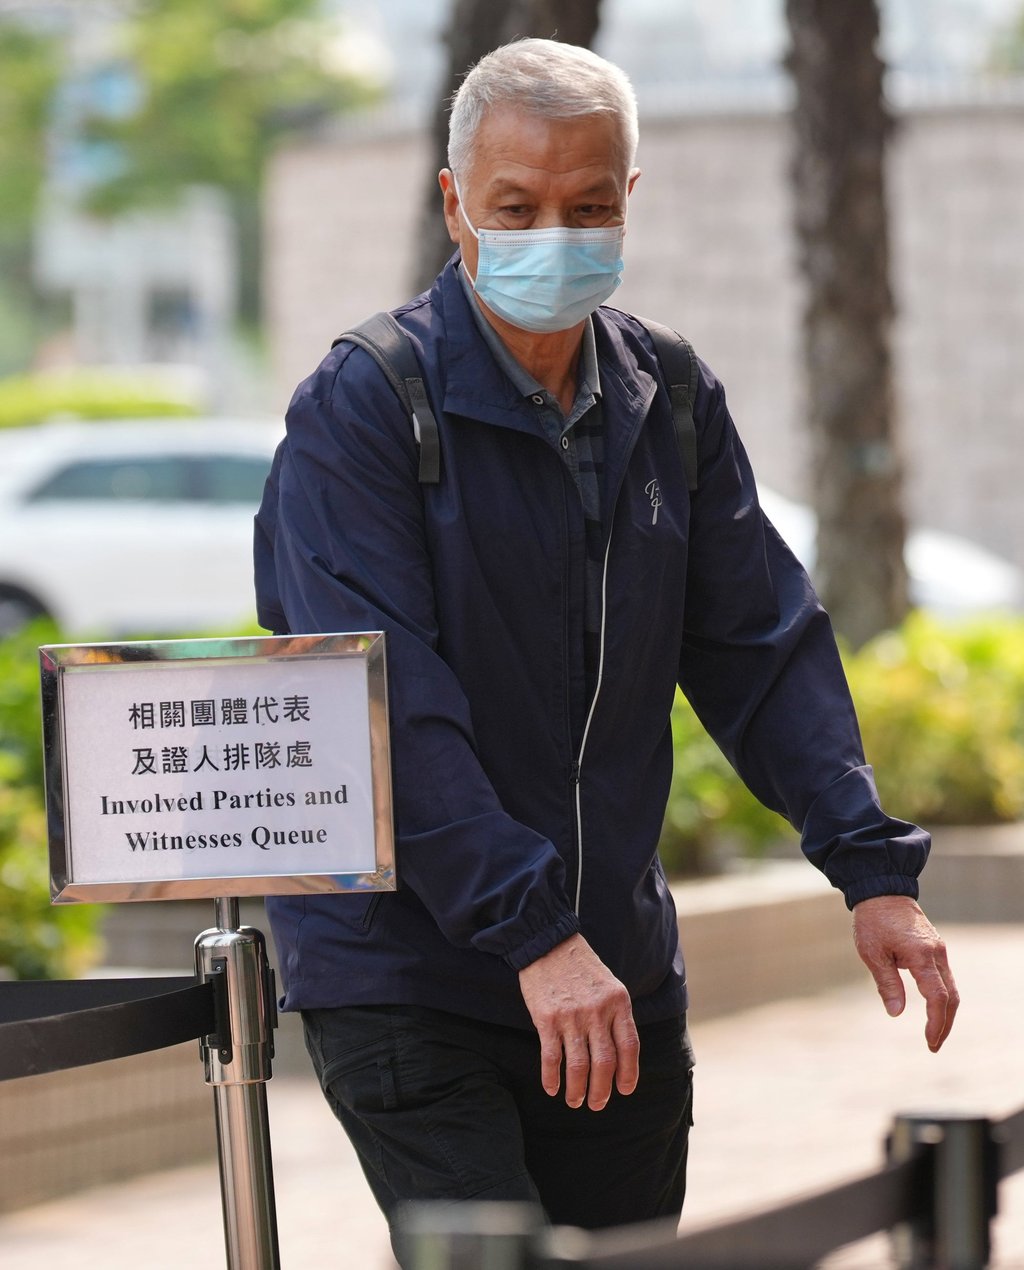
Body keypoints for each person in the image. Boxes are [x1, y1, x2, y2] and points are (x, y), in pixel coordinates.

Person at [254, 36, 958, 1258]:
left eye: (586, 206)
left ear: (629, 199)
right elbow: (379, 710)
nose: (551, 235)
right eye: (514, 206)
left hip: (614, 971)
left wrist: (872, 868)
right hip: (411, 975)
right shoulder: (365, 404)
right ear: (453, 200)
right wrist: (531, 931)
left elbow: (760, 645)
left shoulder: (666, 394)